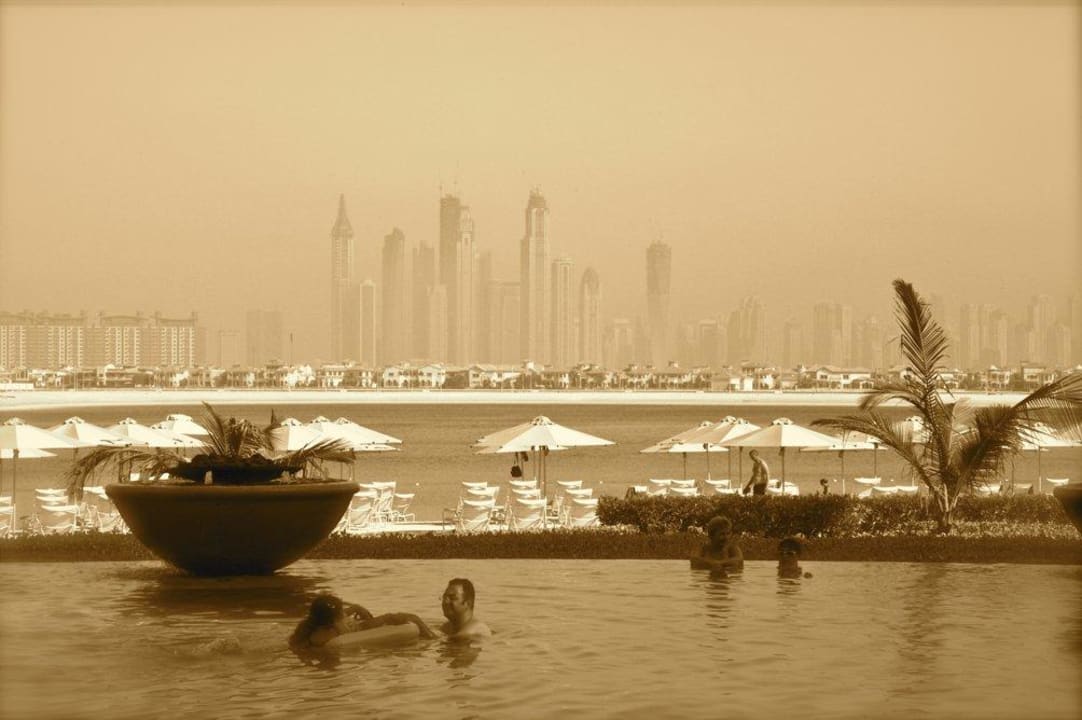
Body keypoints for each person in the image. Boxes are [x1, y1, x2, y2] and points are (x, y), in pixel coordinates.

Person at [289, 593, 374, 649]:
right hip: (356, 632)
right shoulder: (325, 634)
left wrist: (359, 609)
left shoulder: (316, 621)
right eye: (341, 610)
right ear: (333, 617)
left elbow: (354, 608)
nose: (343, 611)